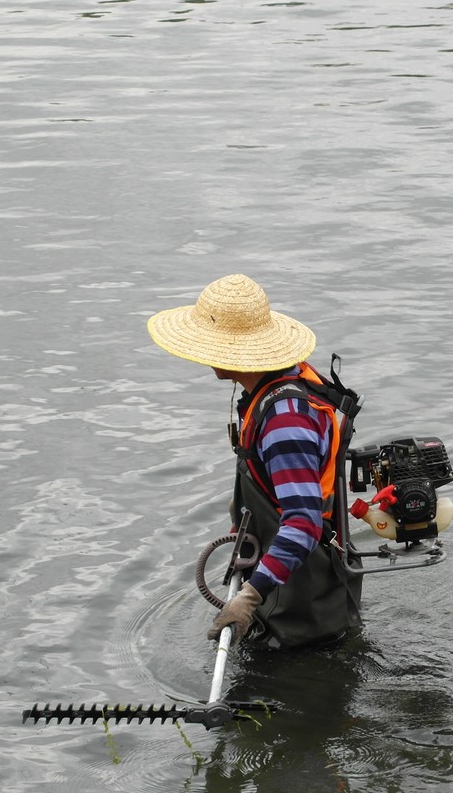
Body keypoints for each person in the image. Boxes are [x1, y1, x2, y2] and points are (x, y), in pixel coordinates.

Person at [147, 274, 361, 649]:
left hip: (303, 608)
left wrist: (249, 597)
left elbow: (304, 523)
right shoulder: (275, 387)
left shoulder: (285, 420)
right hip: (291, 585)